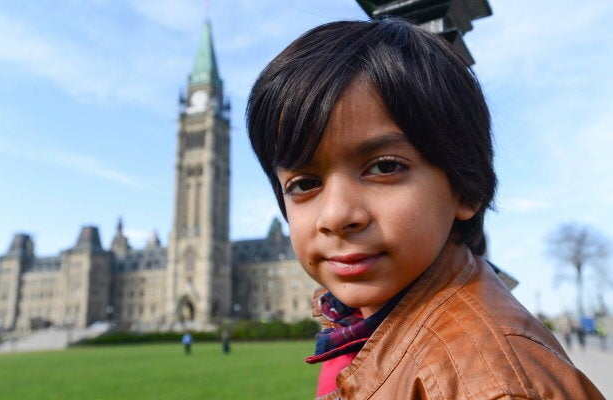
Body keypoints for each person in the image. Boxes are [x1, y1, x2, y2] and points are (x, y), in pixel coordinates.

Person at [246, 18, 604, 399]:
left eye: (384, 167)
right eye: (304, 184)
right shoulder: (371, 324)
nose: (335, 215)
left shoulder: (489, 385)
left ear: (465, 189)